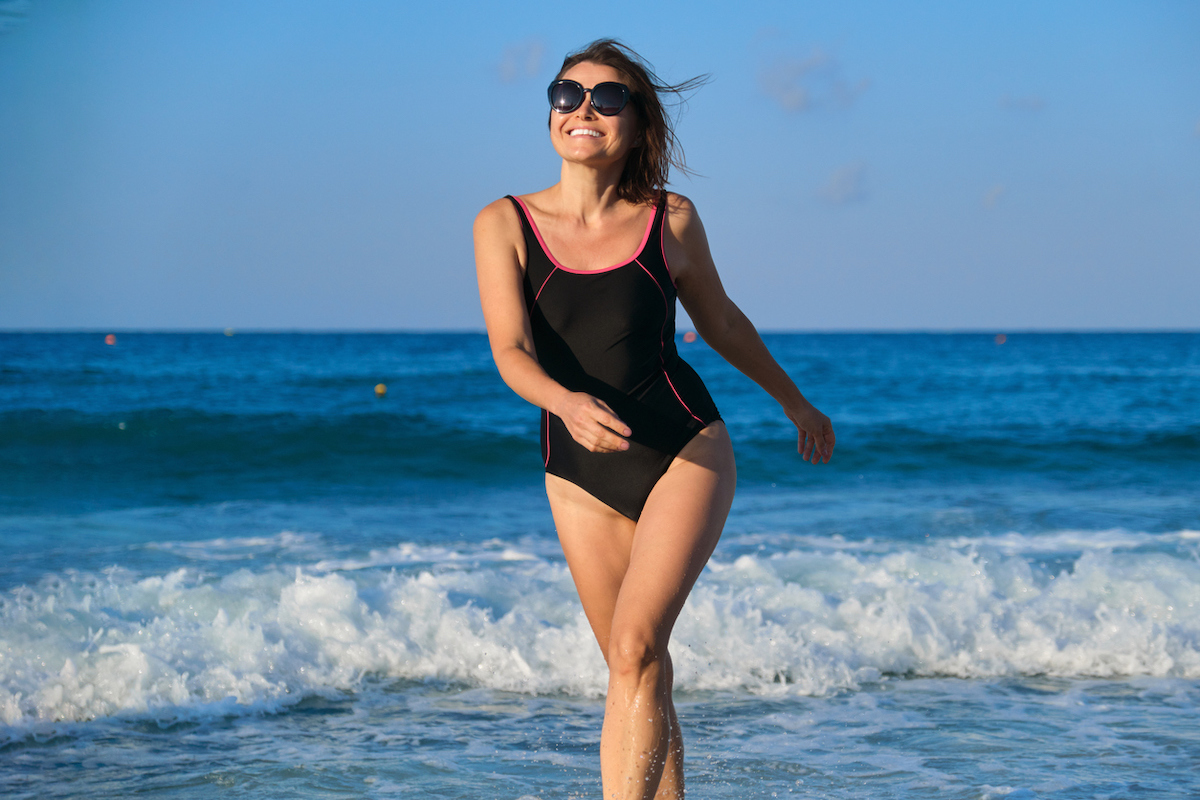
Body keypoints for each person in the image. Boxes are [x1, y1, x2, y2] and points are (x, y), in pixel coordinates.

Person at [473, 39, 834, 800]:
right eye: (567, 93)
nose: (583, 110)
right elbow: (509, 350)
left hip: (683, 448)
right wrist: (564, 402)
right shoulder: (503, 222)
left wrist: (792, 400)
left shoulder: (667, 219)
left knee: (637, 648)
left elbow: (725, 323)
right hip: (575, 469)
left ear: (637, 125)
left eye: (608, 99)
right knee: (636, 669)